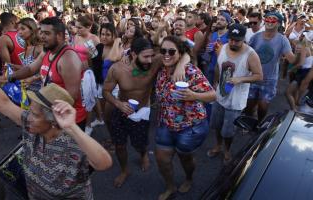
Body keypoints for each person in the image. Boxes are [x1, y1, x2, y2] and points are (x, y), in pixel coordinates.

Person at [0, 48, 112, 199]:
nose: (27, 117)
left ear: (53, 121)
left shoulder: (73, 142)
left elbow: (104, 163)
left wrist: (72, 128)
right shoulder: (31, 124)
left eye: (35, 115)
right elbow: (2, 103)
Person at [103, 38, 190, 188]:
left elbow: (185, 53)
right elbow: (105, 91)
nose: (150, 60)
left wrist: (181, 66)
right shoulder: (117, 69)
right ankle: (124, 170)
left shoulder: (155, 61)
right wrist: (118, 104)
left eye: (151, 55)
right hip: (122, 110)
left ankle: (143, 155)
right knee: (120, 145)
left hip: (142, 111)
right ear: (134, 54)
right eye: (145, 56)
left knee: (140, 143)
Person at [154, 36, 216, 200]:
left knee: (185, 159)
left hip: (190, 127)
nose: (166, 54)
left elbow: (212, 95)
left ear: (180, 53)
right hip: (166, 124)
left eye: (171, 51)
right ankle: (170, 187)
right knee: (161, 159)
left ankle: (189, 178)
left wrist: (193, 95)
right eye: (163, 51)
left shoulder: (190, 71)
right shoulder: (161, 69)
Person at [7, 17, 87, 129]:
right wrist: (10, 77)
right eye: (41, 32)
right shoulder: (47, 51)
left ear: (59, 35)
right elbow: (30, 69)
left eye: (47, 33)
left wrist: (40, 109)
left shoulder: (68, 58)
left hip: (70, 120)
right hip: (52, 115)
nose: (42, 36)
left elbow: (71, 97)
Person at [207, 24, 263, 165]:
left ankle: (227, 150)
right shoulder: (223, 47)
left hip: (236, 101)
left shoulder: (250, 54)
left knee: (229, 130)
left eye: (237, 40)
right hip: (220, 95)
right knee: (217, 125)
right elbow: (218, 67)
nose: (233, 43)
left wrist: (241, 79)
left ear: (244, 39)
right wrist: (214, 83)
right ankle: (218, 145)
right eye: (231, 39)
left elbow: (259, 76)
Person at [245, 12, 299, 122]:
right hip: (253, 77)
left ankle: (259, 123)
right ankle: (247, 121)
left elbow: (292, 60)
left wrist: (298, 53)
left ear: (278, 23)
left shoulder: (282, 40)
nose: (269, 21)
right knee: (249, 104)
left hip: (269, 80)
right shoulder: (256, 37)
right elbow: (246, 54)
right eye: (267, 19)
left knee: (263, 106)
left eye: (273, 19)